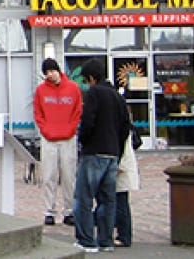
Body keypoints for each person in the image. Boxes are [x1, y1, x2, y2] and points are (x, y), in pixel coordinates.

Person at [73, 59, 130, 253]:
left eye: (86, 80)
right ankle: (106, 240)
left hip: (94, 151)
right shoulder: (117, 97)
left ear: (91, 78)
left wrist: (83, 141)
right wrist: (118, 151)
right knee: (107, 200)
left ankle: (86, 240)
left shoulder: (94, 94)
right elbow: (125, 128)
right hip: (112, 153)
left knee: (84, 197)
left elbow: (87, 121)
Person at [33, 57, 82, 227]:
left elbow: (78, 111)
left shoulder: (73, 88)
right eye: (46, 73)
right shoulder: (40, 91)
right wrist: (45, 130)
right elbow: (38, 112)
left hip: (68, 138)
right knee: (49, 176)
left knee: (69, 176)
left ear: (58, 70)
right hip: (49, 138)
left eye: (52, 71)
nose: (50, 75)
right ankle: (49, 211)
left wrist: (71, 129)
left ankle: (69, 211)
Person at [114, 119, 141, 248]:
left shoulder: (123, 128)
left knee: (121, 203)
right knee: (120, 202)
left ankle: (124, 236)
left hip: (122, 170)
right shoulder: (124, 126)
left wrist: (119, 167)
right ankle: (122, 234)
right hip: (122, 169)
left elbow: (125, 150)